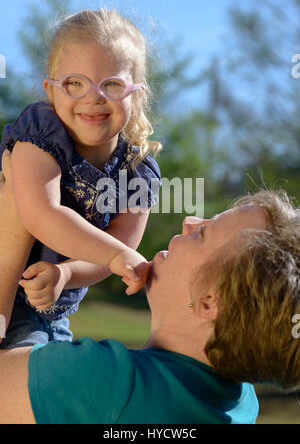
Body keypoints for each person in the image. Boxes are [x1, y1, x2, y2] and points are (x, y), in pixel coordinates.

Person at [1, 154, 300, 424]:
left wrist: (15, 215)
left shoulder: (111, 384)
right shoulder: (239, 402)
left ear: (209, 302)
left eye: (204, 234)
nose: (189, 221)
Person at [0, 8, 161, 348]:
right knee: (30, 376)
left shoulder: (138, 171)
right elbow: (40, 213)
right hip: (5, 287)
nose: (93, 96)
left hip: (51, 310)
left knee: (61, 378)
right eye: (75, 83)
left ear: (137, 93)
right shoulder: (40, 133)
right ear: (51, 89)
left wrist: (67, 272)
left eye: (112, 84)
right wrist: (117, 256)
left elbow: (120, 246)